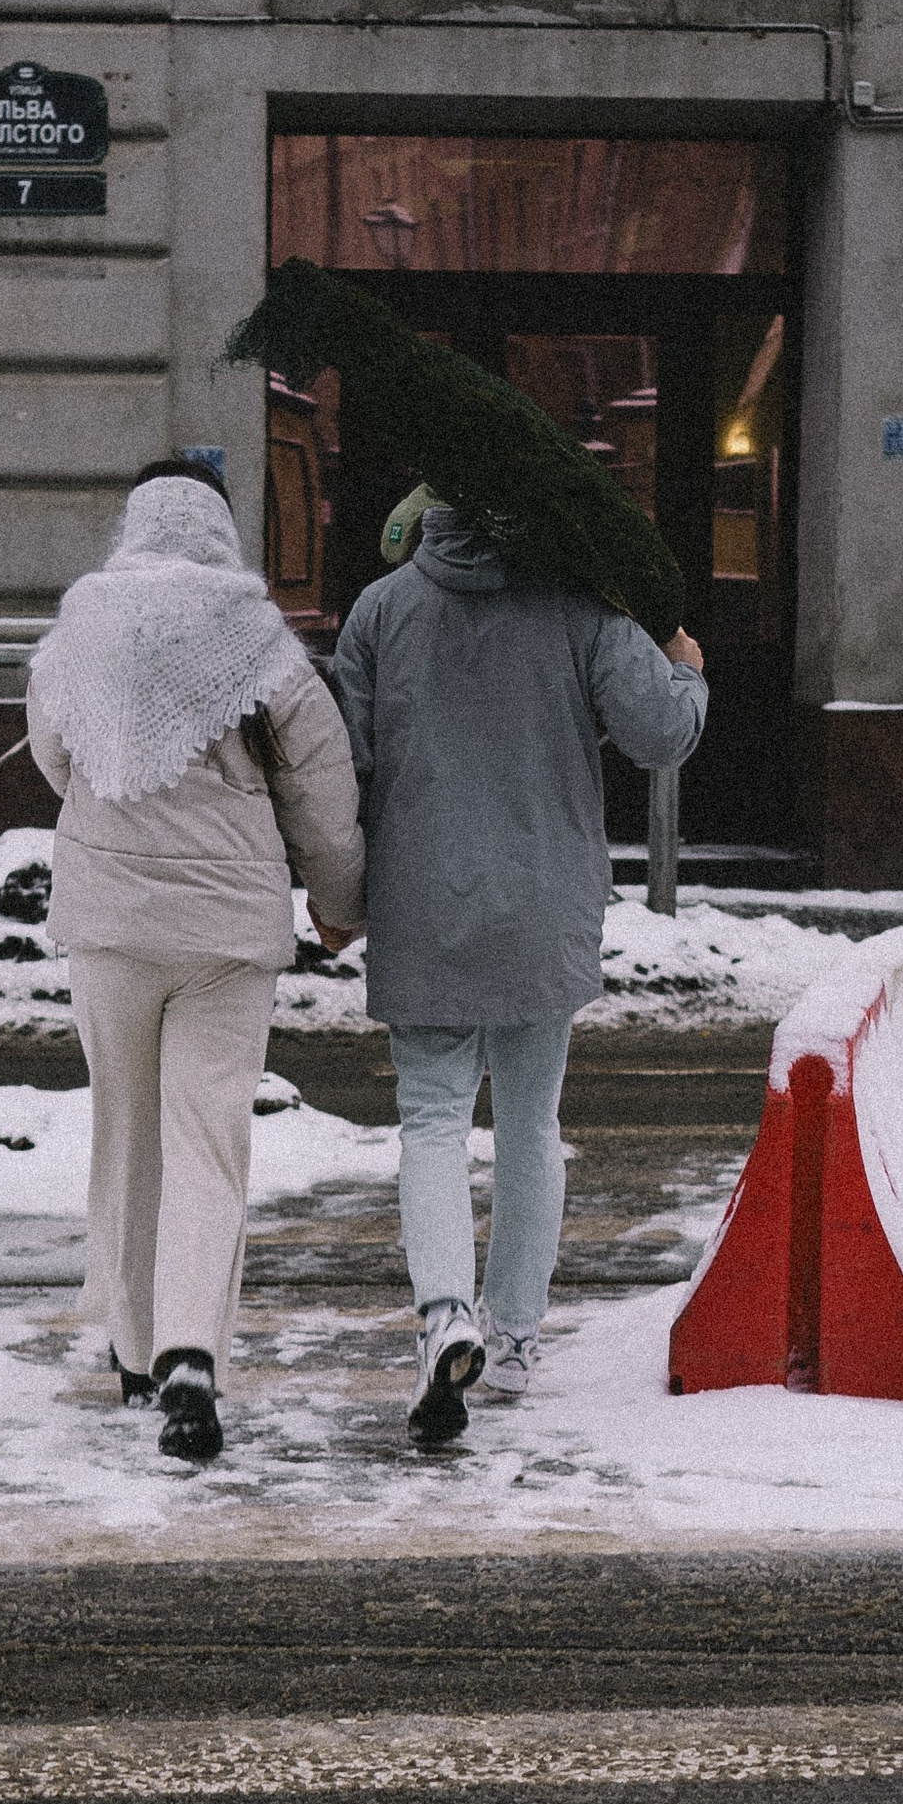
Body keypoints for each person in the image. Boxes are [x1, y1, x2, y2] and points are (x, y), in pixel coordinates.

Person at [332, 499, 705, 1444]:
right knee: (531, 1124)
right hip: (545, 902)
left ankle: (444, 1314)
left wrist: (339, 887)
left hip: (424, 901)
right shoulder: (584, 609)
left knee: (431, 1120)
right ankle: (516, 1337)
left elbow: (350, 765)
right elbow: (660, 733)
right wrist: (688, 674)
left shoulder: (382, 609)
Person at [27, 461, 365, 1464]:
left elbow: (55, 757)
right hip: (227, 931)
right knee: (208, 1142)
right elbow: (319, 788)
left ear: (134, 526)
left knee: (125, 1134)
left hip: (111, 924)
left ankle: (134, 1355)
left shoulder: (80, 628)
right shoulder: (260, 642)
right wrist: (339, 906)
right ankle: (190, 1356)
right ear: (220, 533)